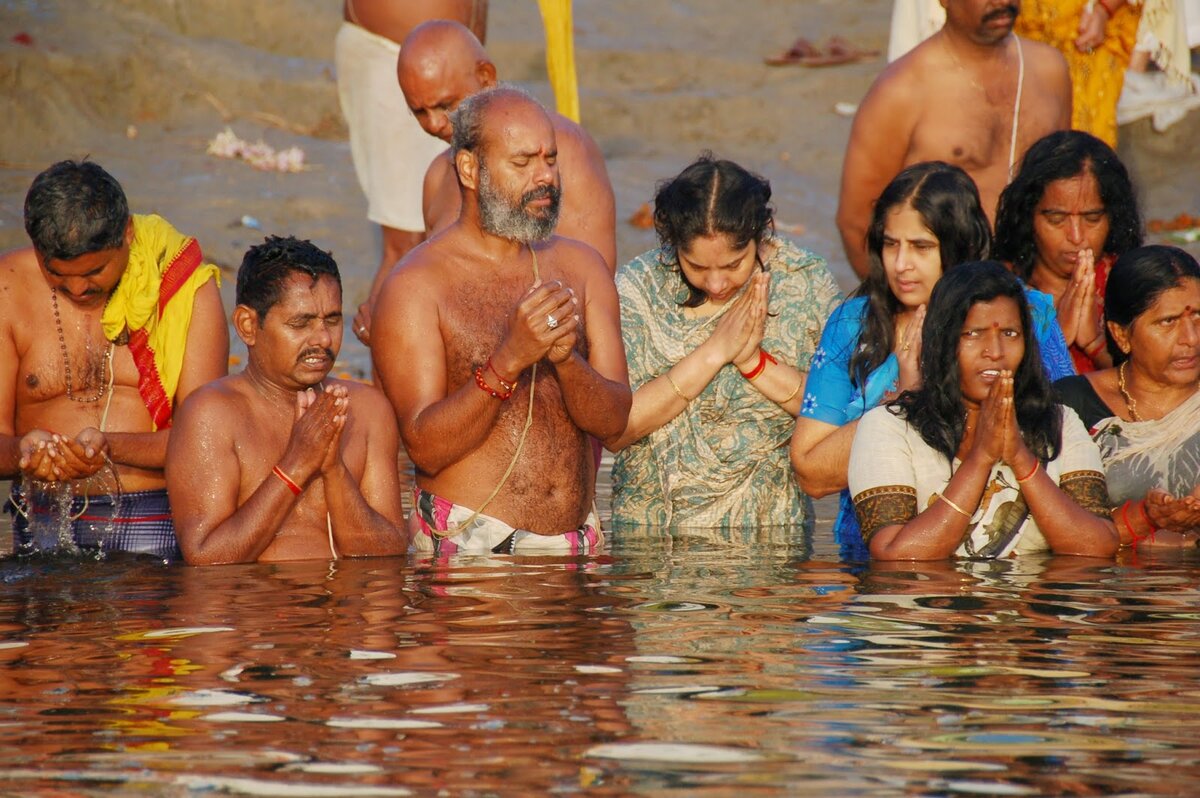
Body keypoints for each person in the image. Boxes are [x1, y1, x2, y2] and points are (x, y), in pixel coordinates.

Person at [370, 86, 631, 556]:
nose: (544, 177)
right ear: (470, 169)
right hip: (471, 550)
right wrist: (509, 360)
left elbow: (614, 424)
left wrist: (566, 360)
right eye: (522, 162)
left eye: (550, 159)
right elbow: (424, 447)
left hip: (577, 545)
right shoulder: (416, 286)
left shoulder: (584, 268)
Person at [792, 162, 1075, 558]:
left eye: (921, 247)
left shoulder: (1025, 314)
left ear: (959, 244)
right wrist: (904, 399)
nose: (901, 264)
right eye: (891, 244)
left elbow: (1065, 432)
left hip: (1015, 547)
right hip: (878, 553)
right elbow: (811, 473)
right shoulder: (854, 323)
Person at [0, 160, 228, 559]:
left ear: (127, 234)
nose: (77, 288)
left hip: (154, 521)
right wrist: (24, 452)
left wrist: (111, 449)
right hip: (39, 524)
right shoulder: (8, 288)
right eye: (57, 274)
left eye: (95, 271)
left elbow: (208, 440)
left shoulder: (183, 289)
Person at [604, 156, 840, 528]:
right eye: (695, 266)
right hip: (648, 546)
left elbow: (840, 416)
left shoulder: (804, 282)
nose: (716, 284)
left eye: (733, 265)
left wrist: (754, 362)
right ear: (672, 243)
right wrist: (715, 352)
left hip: (775, 543)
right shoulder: (637, 290)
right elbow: (615, 430)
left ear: (760, 235)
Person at [847, 261, 1118, 561]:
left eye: (1010, 334)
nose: (995, 351)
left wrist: (1020, 458)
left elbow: (1099, 547)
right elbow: (895, 556)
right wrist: (980, 459)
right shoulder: (889, 428)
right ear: (942, 342)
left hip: (1030, 605)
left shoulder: (1060, 423)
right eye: (972, 334)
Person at [166, 236, 407, 565]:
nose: (323, 339)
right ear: (248, 326)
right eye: (301, 323)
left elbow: (389, 549)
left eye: (332, 321)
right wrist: (297, 464)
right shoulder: (211, 414)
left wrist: (333, 469)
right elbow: (208, 558)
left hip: (345, 611)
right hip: (254, 609)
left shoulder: (368, 409)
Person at [837, 0, 1072, 277]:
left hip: (1031, 288)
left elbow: (1063, 189)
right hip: (942, 291)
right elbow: (856, 221)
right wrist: (901, 306)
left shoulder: (1049, 70)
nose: (1002, 2)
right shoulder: (902, 88)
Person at [396, 20, 617, 273]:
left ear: (486, 77)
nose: (435, 124)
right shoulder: (437, 175)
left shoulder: (563, 148)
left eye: (445, 105)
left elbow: (594, 281)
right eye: (419, 112)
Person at [336, 1, 489, 347]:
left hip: (453, 68)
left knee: (444, 227)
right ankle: (387, 389)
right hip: (394, 52)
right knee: (404, 245)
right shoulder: (426, 100)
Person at [1055, 245, 1200, 548]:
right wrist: (1144, 518)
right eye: (1168, 322)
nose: (1191, 338)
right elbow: (1052, 533)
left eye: (1199, 316)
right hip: (1104, 590)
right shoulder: (1071, 405)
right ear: (1121, 335)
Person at [994, 130, 1145, 373]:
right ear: (1027, 216)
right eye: (1056, 219)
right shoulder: (997, 288)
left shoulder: (1134, 286)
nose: (1076, 236)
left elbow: (1159, 388)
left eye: (1092, 218)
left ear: (1113, 217)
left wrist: (1096, 345)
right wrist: (1056, 339)